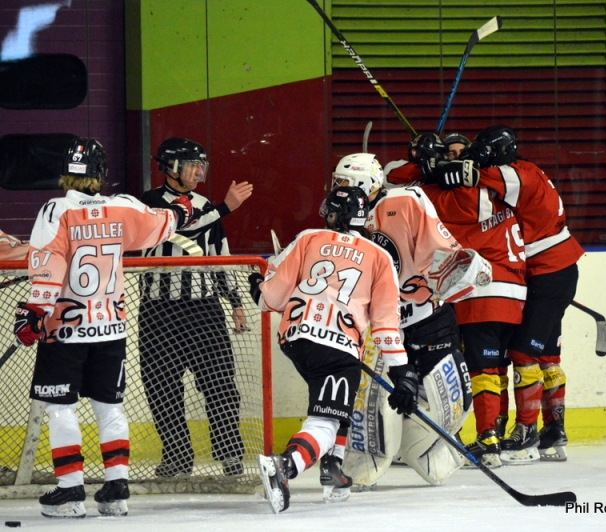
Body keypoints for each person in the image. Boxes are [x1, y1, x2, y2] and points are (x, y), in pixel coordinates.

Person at [13, 137, 194, 518]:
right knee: (109, 407)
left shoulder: (55, 210)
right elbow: (167, 222)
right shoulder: (123, 206)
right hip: (110, 327)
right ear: (101, 174)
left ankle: (70, 491)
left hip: (65, 329)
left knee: (61, 408)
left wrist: (34, 313)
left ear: (66, 172)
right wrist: (182, 207)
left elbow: (48, 265)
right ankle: (116, 490)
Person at [248, 186, 418, 513]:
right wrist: (401, 371)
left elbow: (273, 298)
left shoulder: (309, 237)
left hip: (296, 339)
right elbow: (385, 322)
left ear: (335, 215)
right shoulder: (380, 256)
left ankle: (333, 467)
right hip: (337, 346)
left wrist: (259, 289)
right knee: (326, 419)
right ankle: (285, 465)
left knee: (334, 401)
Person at [331, 153, 489, 487]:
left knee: (452, 402)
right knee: (372, 406)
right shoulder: (341, 215)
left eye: (343, 181)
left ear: (365, 182)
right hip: (382, 330)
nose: (338, 189)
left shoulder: (404, 201)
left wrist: (458, 268)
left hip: (428, 317)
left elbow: (441, 250)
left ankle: (425, 449)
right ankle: (364, 465)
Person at [435, 125, 584, 462]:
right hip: (552, 271)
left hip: (547, 273)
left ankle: (528, 433)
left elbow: (470, 178)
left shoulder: (514, 176)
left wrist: (438, 166)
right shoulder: (527, 171)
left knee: (522, 354)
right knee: (547, 355)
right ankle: (553, 431)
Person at [385, 133, 527, 468]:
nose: (455, 159)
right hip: (511, 292)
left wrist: (430, 174)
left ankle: (486, 438)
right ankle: (497, 434)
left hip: (481, 291)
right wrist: (429, 166)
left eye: (462, 155)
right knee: (493, 369)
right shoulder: (496, 187)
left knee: (475, 369)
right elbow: (393, 173)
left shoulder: (454, 195)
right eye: (449, 153)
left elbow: (394, 184)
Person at [138, 137, 254, 478]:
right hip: (159, 311)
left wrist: (234, 301)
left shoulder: (205, 203)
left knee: (220, 384)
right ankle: (177, 456)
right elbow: (175, 226)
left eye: (200, 165)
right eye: (191, 164)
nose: (198, 171)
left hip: (204, 309)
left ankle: (230, 453)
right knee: (162, 388)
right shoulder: (148, 203)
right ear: (171, 168)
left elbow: (219, 255)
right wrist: (224, 208)